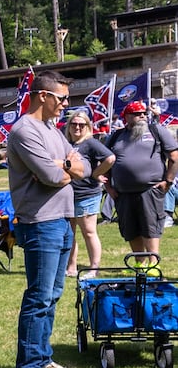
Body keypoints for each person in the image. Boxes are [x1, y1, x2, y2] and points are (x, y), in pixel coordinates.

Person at [6, 72, 86, 368]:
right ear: (43, 95)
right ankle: (28, 367)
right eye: (62, 98)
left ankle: (42, 357)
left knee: (52, 295)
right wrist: (64, 169)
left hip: (62, 221)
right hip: (41, 223)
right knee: (39, 296)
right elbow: (51, 177)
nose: (66, 105)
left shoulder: (51, 130)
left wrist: (63, 166)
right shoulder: (25, 131)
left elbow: (84, 167)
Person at [104, 100, 178, 257]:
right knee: (130, 229)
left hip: (150, 191)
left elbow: (174, 157)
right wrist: (108, 187)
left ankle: (153, 263)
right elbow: (105, 161)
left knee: (150, 227)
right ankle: (139, 263)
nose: (142, 116)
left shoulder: (156, 130)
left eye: (144, 113)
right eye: (137, 114)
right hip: (123, 192)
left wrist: (168, 181)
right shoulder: (116, 136)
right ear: (126, 117)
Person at [63, 111, 114, 277]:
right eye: (74, 124)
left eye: (81, 124)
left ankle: (94, 268)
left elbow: (110, 158)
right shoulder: (65, 143)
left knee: (89, 231)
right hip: (67, 194)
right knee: (69, 232)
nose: (77, 127)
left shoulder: (91, 143)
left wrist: (94, 173)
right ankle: (71, 267)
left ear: (87, 127)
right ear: (68, 126)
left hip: (87, 194)